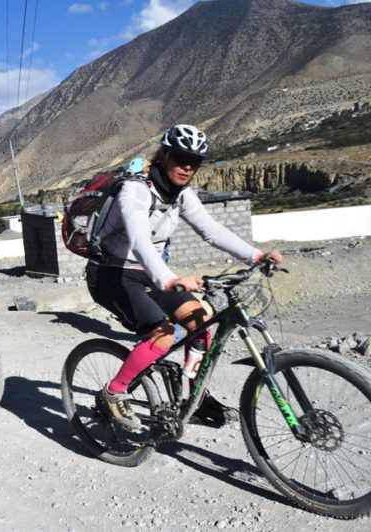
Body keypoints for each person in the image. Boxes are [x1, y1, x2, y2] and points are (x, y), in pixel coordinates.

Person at [87, 124, 283, 430]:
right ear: (164, 156)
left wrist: (255, 256)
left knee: (200, 323)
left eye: (195, 161)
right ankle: (113, 392)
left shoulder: (181, 195)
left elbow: (211, 230)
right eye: (181, 158)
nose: (188, 166)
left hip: (147, 273)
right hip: (111, 274)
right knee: (164, 334)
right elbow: (138, 239)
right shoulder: (136, 190)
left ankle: (197, 399)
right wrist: (168, 279)